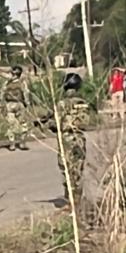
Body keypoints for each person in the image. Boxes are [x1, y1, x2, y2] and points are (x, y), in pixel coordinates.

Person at [52, 72, 92, 207]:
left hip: (67, 138)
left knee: (67, 169)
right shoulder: (83, 103)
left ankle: (70, 200)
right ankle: (78, 199)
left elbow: (56, 122)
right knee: (78, 169)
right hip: (80, 137)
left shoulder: (62, 104)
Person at [1, 65, 30, 151]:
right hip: (19, 104)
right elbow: (26, 94)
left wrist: (3, 104)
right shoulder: (22, 83)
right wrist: (27, 104)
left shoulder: (6, 83)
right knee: (23, 124)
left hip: (10, 104)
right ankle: (22, 143)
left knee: (11, 125)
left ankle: (12, 144)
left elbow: (2, 94)